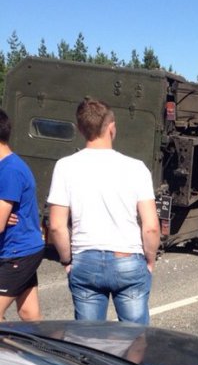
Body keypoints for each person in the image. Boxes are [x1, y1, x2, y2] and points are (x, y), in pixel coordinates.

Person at [48, 99, 161, 324]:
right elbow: (151, 227)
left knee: (88, 339)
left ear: (80, 129)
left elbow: (57, 226)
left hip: (85, 260)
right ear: (112, 128)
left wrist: (67, 261)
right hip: (127, 259)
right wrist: (149, 260)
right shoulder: (136, 168)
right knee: (135, 338)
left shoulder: (65, 166)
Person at [0, 109, 44, 320]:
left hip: (17, 252)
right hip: (20, 249)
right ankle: (44, 342)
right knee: (29, 313)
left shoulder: (10, 171)